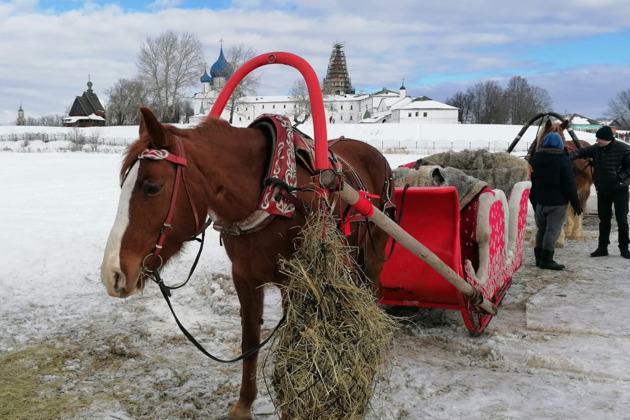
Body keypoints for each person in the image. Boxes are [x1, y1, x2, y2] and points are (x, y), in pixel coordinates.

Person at [569, 125, 630, 259]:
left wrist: (620, 178)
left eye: (599, 139)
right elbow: (581, 152)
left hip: (619, 190)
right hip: (603, 190)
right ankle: (602, 247)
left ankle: (624, 248)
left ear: (607, 139)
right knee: (604, 220)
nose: (597, 141)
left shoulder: (624, 149)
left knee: (622, 220)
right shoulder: (596, 149)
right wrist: (568, 155)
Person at [529, 132, 582, 270]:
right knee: (553, 231)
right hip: (557, 203)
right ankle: (547, 260)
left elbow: (532, 183)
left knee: (541, 229)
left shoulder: (535, 159)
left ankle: (539, 258)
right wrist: (576, 204)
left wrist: (534, 201)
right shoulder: (563, 160)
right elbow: (569, 184)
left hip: (540, 201)